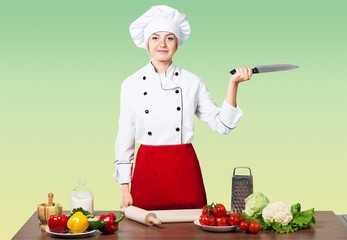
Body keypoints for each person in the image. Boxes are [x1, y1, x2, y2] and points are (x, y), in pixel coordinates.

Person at [113, 5, 252, 210]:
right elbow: (125, 136)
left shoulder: (192, 81)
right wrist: (124, 188)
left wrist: (233, 84)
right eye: (155, 37)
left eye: (169, 38)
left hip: (184, 170)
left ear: (177, 42)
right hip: (147, 171)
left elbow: (222, 125)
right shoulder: (131, 84)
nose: (162, 44)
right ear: (146, 43)